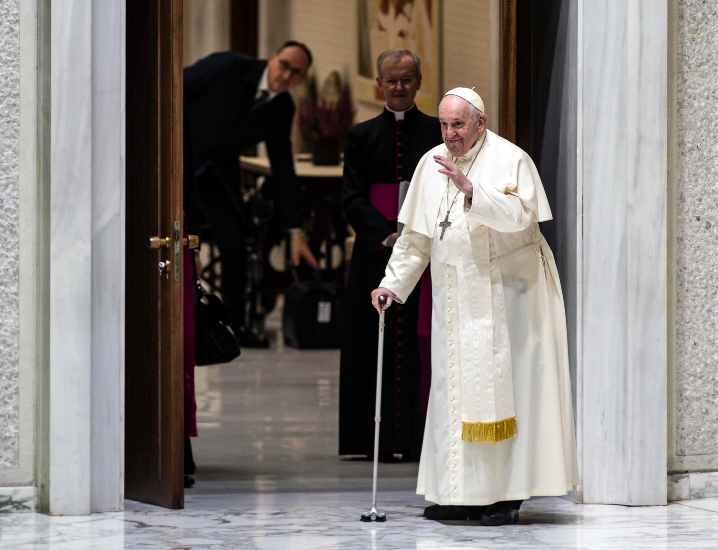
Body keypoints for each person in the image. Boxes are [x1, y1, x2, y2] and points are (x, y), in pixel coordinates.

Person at [371, 88, 577, 525]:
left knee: (509, 389)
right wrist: (392, 284)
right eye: (444, 125)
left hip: (512, 300)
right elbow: (417, 238)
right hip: (456, 299)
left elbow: (522, 218)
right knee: (454, 391)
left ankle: (505, 496)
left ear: (480, 122)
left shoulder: (511, 159)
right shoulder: (430, 163)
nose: (450, 134)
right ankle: (459, 492)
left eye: (458, 125)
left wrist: (472, 190)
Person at [339, 49, 441, 461]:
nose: (399, 88)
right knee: (370, 342)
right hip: (374, 253)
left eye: (407, 80)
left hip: (423, 253)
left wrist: (415, 233)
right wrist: (382, 234)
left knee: (418, 344)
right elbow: (351, 196)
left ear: (419, 82)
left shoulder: (436, 132)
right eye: (391, 81)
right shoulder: (360, 136)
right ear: (380, 84)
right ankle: (370, 439)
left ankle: (417, 437)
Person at [183, 41, 318, 337]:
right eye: (283, 65)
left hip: (220, 176)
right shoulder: (227, 66)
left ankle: (231, 326)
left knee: (235, 242)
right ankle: (181, 320)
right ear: (272, 58)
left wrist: (295, 230)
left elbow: (283, 166)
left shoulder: (282, 107)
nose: (285, 77)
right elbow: (171, 91)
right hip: (179, 162)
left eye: (295, 73)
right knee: (185, 246)